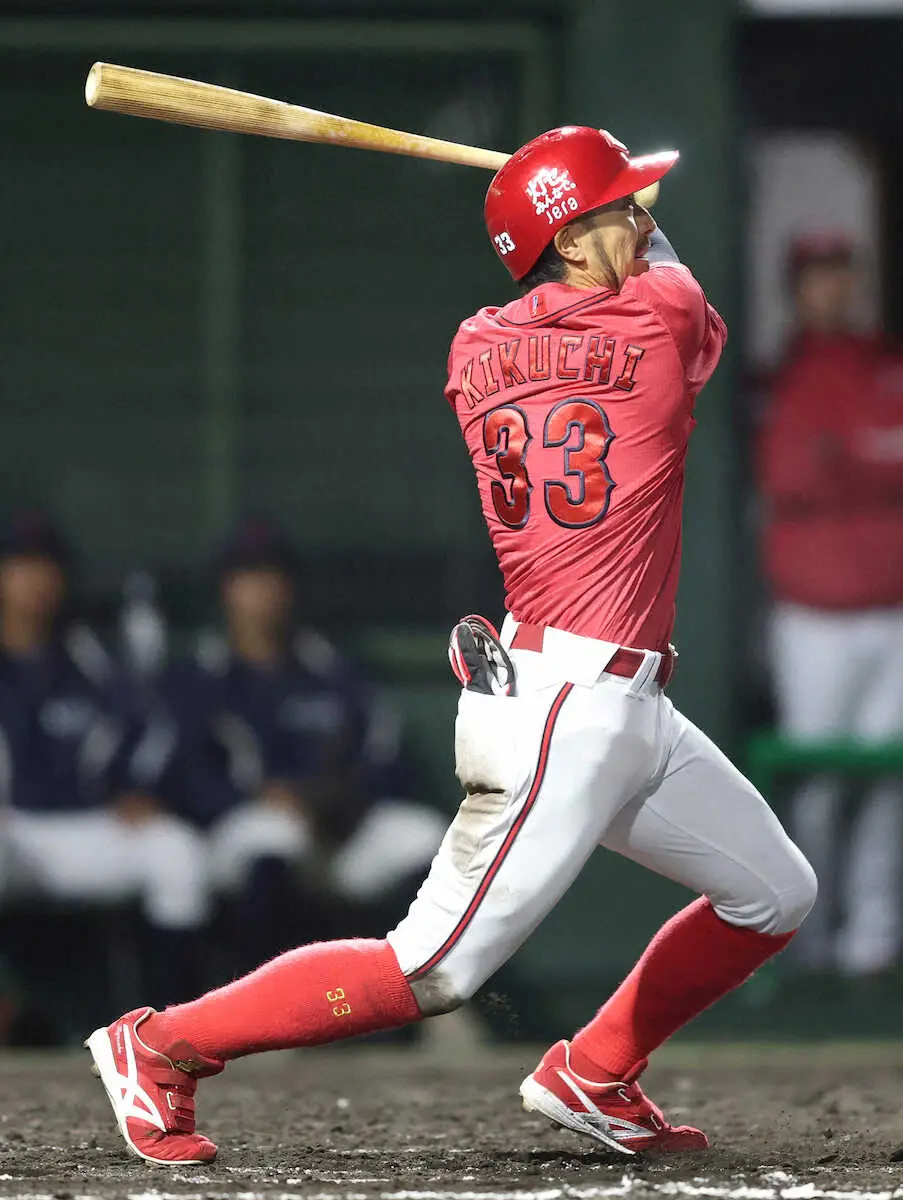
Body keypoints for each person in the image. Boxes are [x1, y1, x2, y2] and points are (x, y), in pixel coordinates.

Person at [85, 126, 816, 1165]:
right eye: (621, 208)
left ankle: (593, 1070)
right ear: (565, 242)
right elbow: (664, 275)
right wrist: (573, 197)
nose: (645, 218)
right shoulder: (663, 317)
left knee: (774, 892)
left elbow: (567, 305)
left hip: (608, 695)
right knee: (434, 968)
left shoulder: (475, 346)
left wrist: (566, 202)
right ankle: (160, 1046)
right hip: (567, 705)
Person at [127, 519, 446, 973]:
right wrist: (255, 798)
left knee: (425, 838)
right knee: (274, 836)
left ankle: (430, 998)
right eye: (249, 577)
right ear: (226, 589)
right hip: (243, 834)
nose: (263, 590)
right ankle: (265, 1007)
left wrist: (331, 803)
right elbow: (183, 773)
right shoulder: (201, 677)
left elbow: (384, 760)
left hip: (338, 827)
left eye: (273, 575)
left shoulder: (331, 670)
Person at [757, 233, 903, 977]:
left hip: (890, 605)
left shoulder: (882, 363)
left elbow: (855, 457)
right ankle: (802, 941)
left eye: (843, 272)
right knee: (814, 781)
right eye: (817, 275)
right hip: (811, 609)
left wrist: (852, 458)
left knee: (886, 777)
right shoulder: (781, 372)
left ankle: (871, 941)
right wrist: (870, 461)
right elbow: (792, 477)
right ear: (797, 287)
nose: (833, 287)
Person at [0, 512, 211, 1009]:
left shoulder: (90, 658)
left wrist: (142, 787)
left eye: (46, 568)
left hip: (89, 825)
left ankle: (175, 1024)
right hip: (11, 832)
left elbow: (154, 727)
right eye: (20, 566)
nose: (35, 581)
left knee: (176, 851)